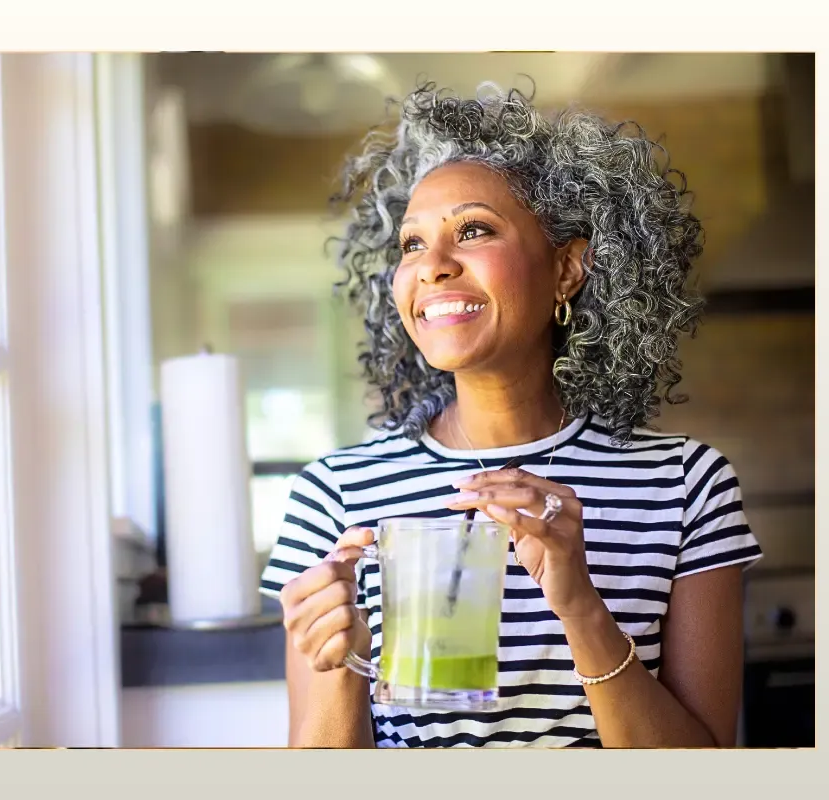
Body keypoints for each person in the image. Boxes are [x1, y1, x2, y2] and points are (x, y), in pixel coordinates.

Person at [259, 83, 762, 748]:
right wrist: (342, 665)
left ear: (566, 268)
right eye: (411, 244)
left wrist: (578, 602)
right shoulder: (336, 495)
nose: (432, 267)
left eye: (473, 230)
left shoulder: (686, 487)